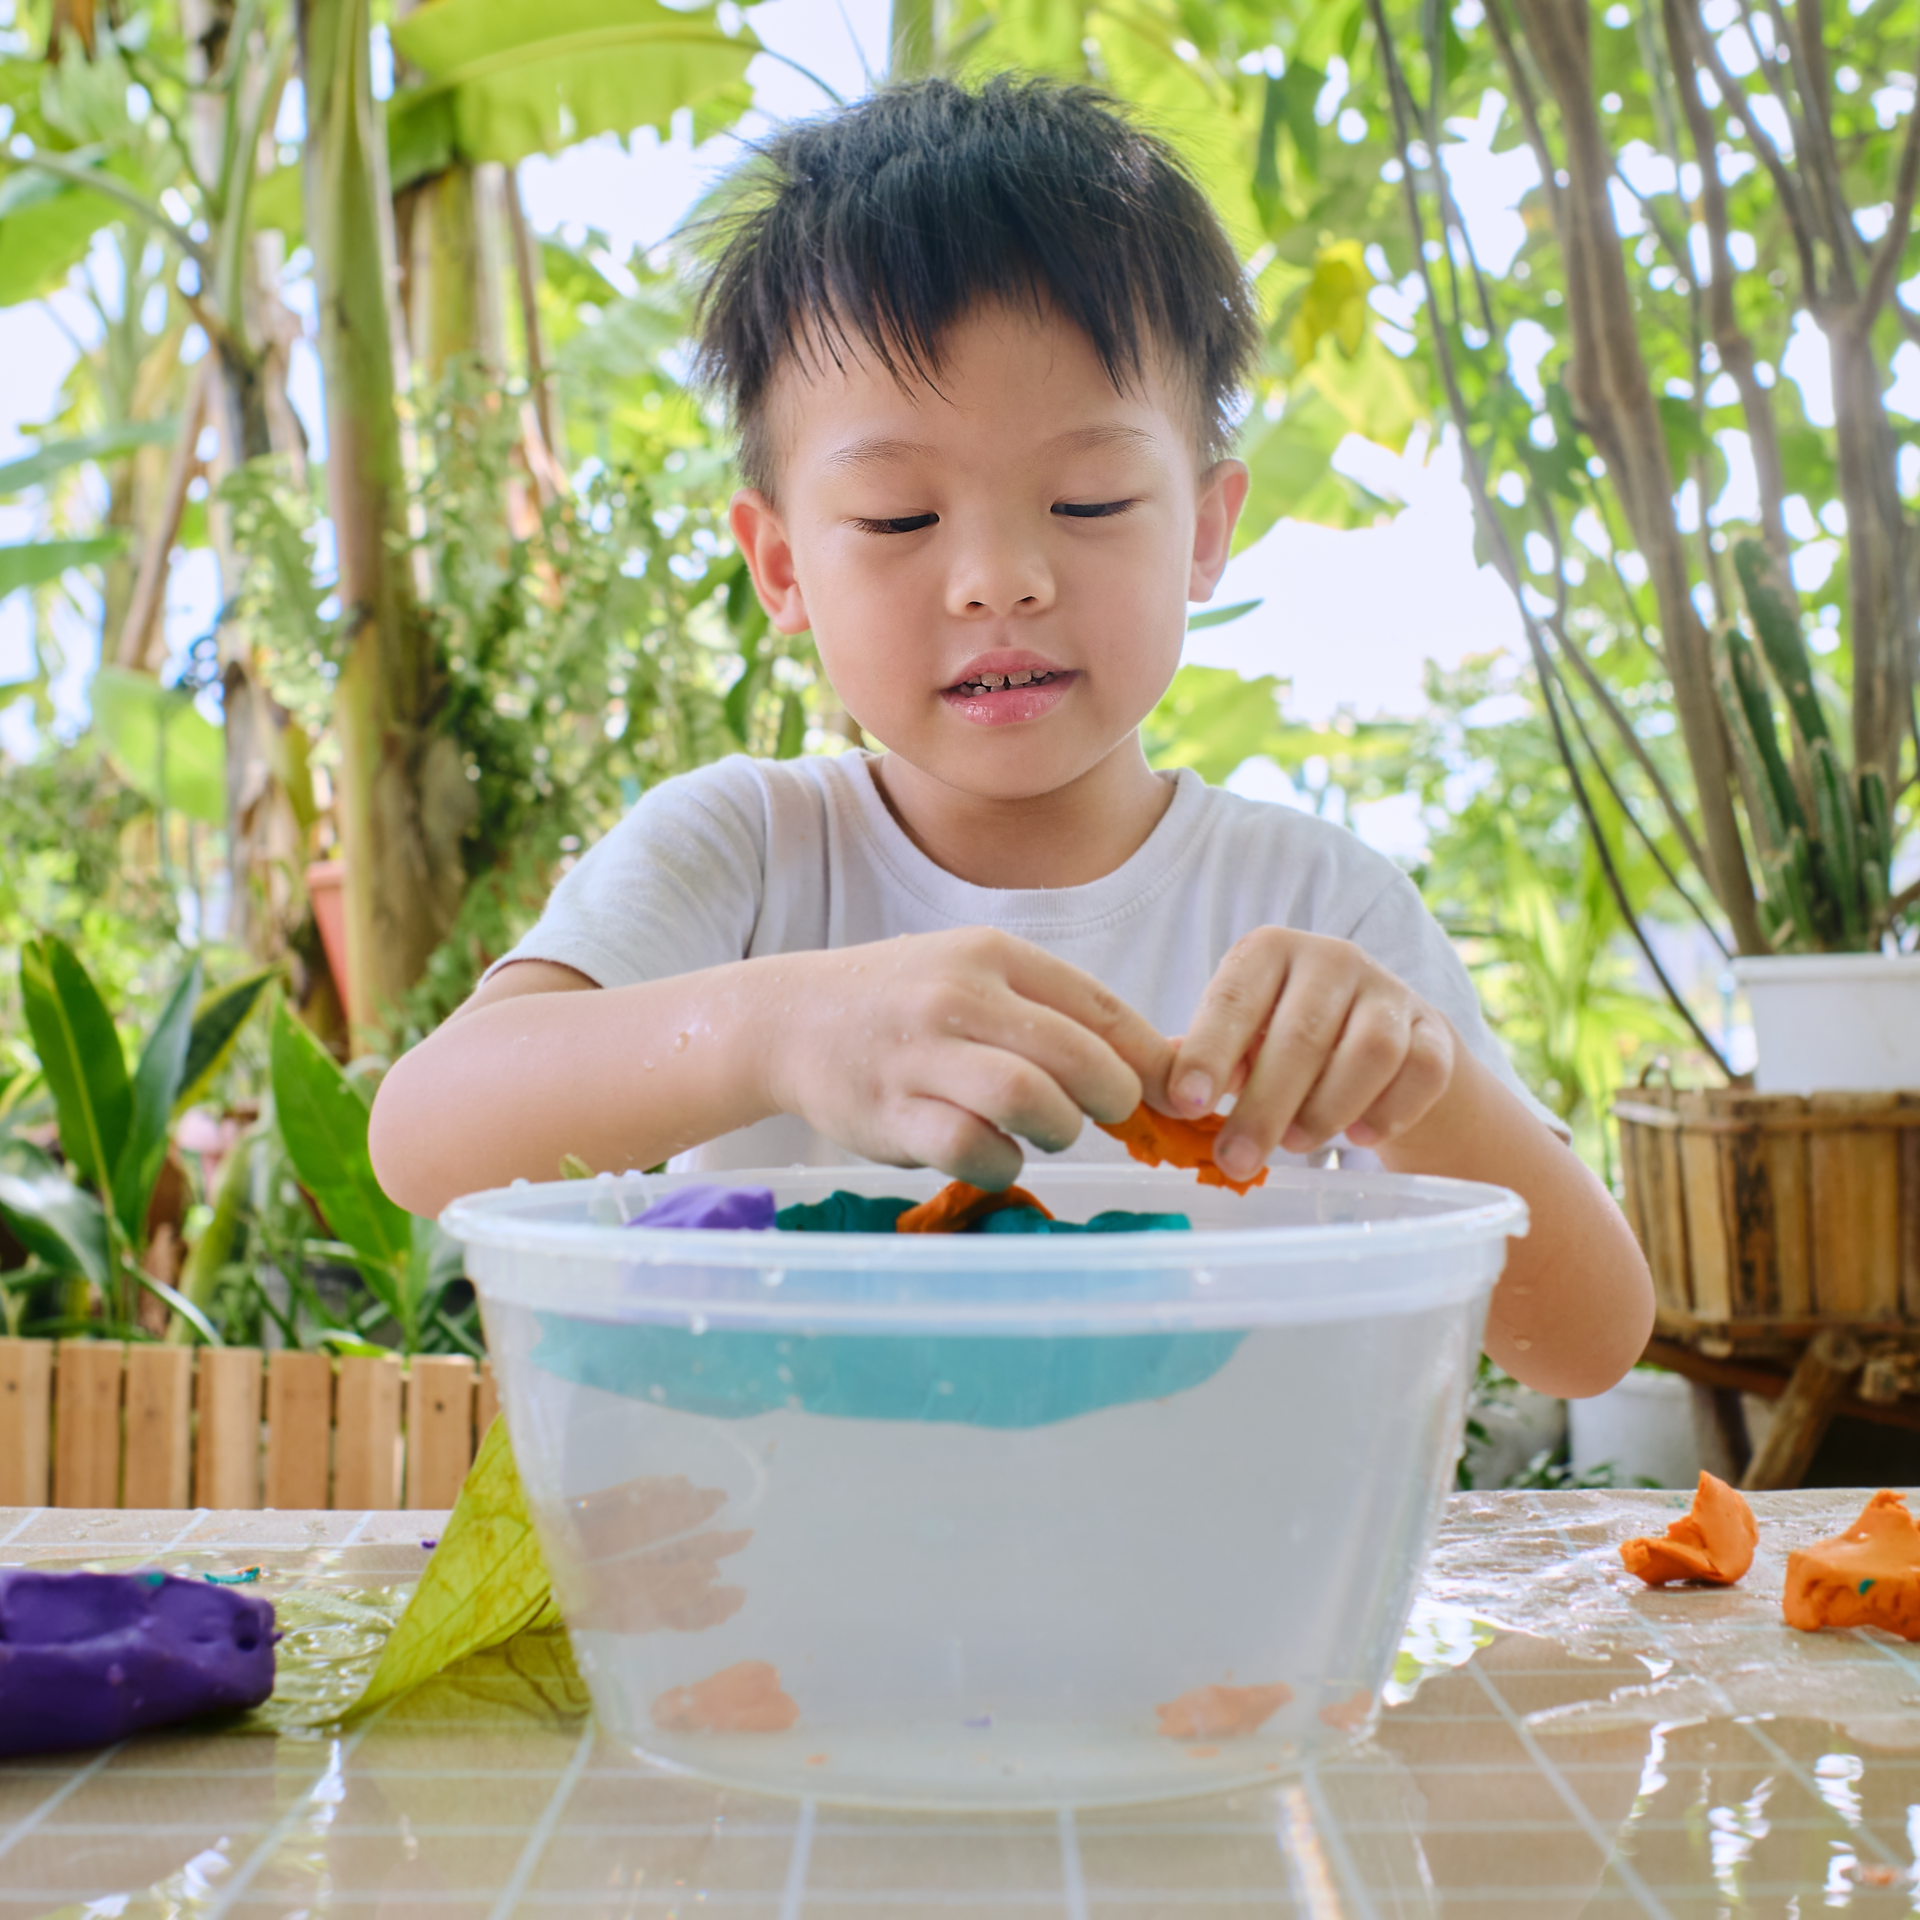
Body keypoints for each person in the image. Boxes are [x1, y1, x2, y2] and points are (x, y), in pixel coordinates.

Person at [369, 75, 1653, 1399]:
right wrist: (778, 1031)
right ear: (782, 563)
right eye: (898, 520)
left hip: (1203, 1583)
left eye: (1089, 500)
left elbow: (1592, 1341)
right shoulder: (742, 856)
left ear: (1205, 529)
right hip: (800, 1575)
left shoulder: (1309, 905)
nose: (999, 580)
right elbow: (424, 1137)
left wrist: (1419, 1093)